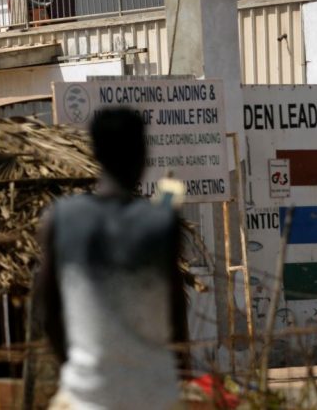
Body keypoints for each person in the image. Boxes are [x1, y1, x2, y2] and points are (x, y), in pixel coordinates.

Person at [34, 107, 188, 410]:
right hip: (154, 393)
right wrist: (181, 369)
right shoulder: (162, 223)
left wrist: (75, 364)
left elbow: (46, 308)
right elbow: (176, 311)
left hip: (86, 395)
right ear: (143, 154)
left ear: (95, 152)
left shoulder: (60, 218)